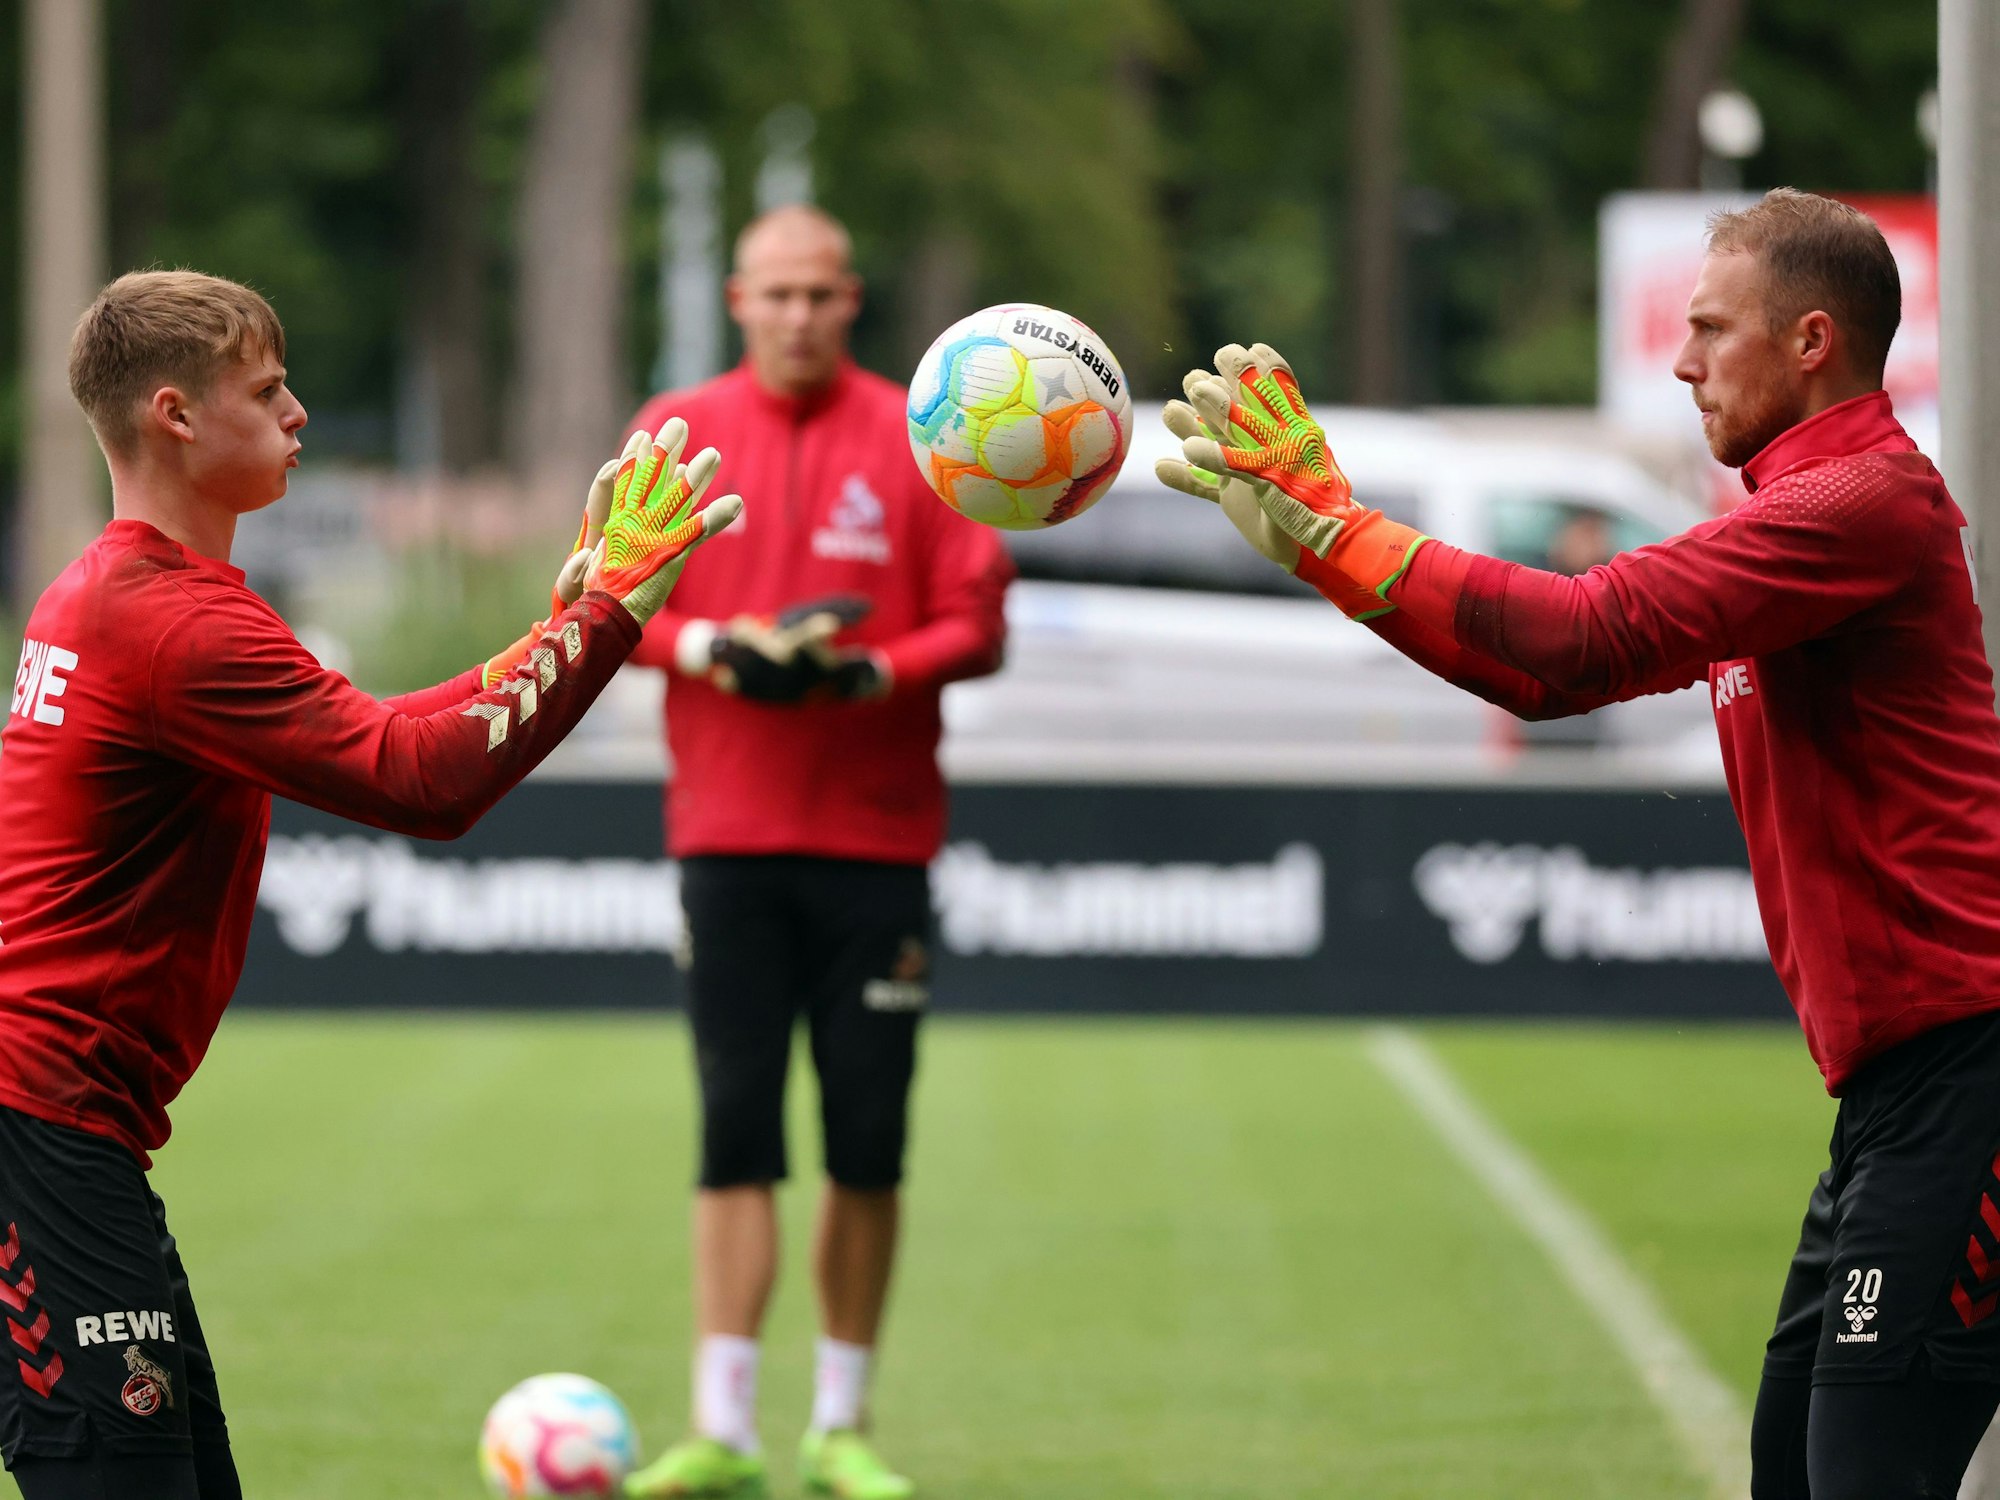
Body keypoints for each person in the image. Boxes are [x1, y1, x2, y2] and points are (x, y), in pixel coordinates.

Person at [1159, 188, 2000, 1500]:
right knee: (1799, 1466)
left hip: (1968, 1084)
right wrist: (1334, 557)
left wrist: (1343, 525)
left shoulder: (1859, 506)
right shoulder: (1799, 515)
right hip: (1903, 1103)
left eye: (1713, 329)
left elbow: (1572, 638)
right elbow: (1548, 680)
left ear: (1813, 341)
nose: (1680, 359)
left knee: (1858, 1473)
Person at [0, 269, 739, 1499]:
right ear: (175, 415)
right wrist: (608, 615)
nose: (298, 414)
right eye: (270, 390)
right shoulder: (173, 625)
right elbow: (419, 781)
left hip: (63, 1128)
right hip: (37, 1127)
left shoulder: (127, 593)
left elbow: (380, 731)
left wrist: (558, 622)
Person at [619, 205, 1012, 1500]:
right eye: (776, 294)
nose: (798, 316)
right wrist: (713, 649)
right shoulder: (676, 431)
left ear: (854, 300)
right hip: (725, 837)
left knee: (867, 1139)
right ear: (737, 298)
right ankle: (724, 1429)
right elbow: (611, 598)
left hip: (875, 843)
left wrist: (866, 677)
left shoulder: (922, 435)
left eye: (820, 295)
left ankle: (840, 1424)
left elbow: (978, 620)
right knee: (732, 1130)